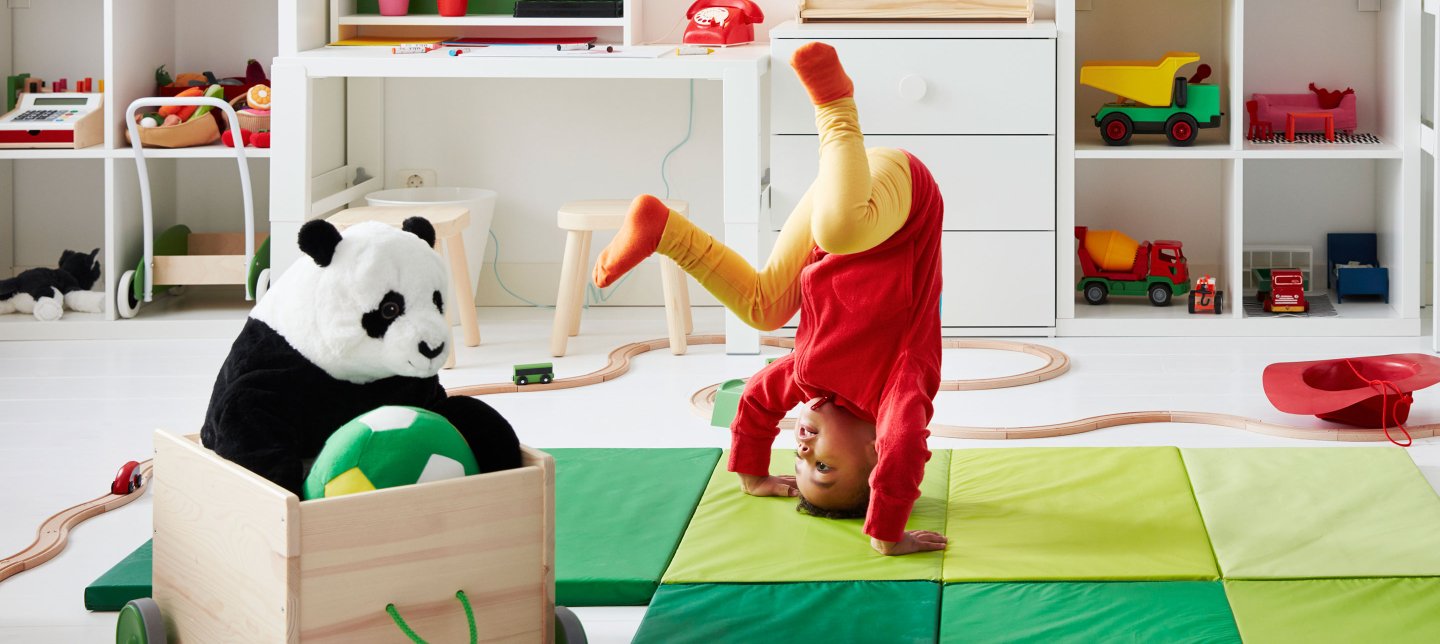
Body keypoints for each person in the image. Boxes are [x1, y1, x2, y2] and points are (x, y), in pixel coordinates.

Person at [593, 42, 945, 555]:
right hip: (902, 200)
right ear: (874, 452)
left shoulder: (807, 373)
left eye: (798, 463)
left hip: (839, 200)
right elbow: (907, 446)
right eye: (822, 465)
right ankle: (837, 107)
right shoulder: (901, 386)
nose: (801, 449)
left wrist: (754, 473)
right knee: (845, 228)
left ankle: (664, 230)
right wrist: (888, 534)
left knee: (763, 307)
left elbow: (756, 403)